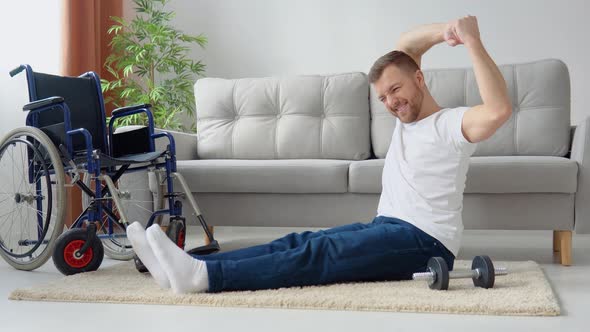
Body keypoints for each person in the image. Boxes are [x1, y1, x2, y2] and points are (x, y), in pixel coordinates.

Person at [126, 15, 512, 294]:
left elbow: (497, 110)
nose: (392, 102)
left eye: (396, 90)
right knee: (298, 241)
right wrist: (448, 31)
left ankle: (204, 279)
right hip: (388, 225)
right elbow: (406, 46)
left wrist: (471, 40)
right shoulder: (405, 119)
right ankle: (190, 267)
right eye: (384, 97)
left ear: (420, 79)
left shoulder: (450, 125)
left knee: (319, 253)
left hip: (425, 242)